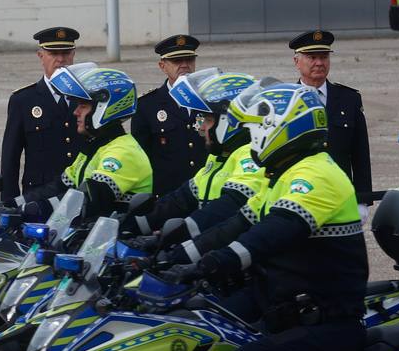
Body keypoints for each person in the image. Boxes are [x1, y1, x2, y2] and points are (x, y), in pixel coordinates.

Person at [163, 82, 367, 351]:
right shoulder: (283, 176)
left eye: (258, 128)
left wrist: (213, 263)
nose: (253, 135)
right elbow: (236, 223)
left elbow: (271, 234)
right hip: (285, 310)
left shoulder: (318, 175)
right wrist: (168, 257)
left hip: (325, 323)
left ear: (281, 129)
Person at [128, 68, 267, 240]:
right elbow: (182, 198)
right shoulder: (218, 157)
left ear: (230, 120)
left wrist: (177, 235)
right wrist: (132, 223)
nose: (201, 127)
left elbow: (228, 206)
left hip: (230, 254)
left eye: (208, 120)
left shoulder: (251, 157)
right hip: (209, 247)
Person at [16, 63, 152, 221]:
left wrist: (30, 210)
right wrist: (9, 204)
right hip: (88, 237)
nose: (75, 112)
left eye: (82, 106)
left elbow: (86, 200)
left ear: (104, 108)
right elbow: (58, 187)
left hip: (117, 240)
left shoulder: (124, 152)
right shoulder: (93, 148)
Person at [0, 27, 84, 203]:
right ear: (41, 56)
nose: (61, 60)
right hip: (39, 196)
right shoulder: (23, 100)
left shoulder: (87, 97)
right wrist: (10, 203)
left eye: (66, 53)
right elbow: (10, 158)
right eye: (53, 53)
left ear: (73, 54)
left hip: (81, 193)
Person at [289, 30, 372, 207]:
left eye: (324, 56)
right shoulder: (286, 102)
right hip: (299, 197)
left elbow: (360, 154)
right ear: (297, 61)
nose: (319, 63)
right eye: (312, 57)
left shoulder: (349, 99)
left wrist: (362, 201)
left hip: (341, 197)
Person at [132, 35, 206, 195]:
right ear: (162, 66)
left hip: (203, 192)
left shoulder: (207, 100)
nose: (185, 65)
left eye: (189, 60)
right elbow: (141, 157)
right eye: (177, 61)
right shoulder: (147, 105)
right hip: (167, 196)